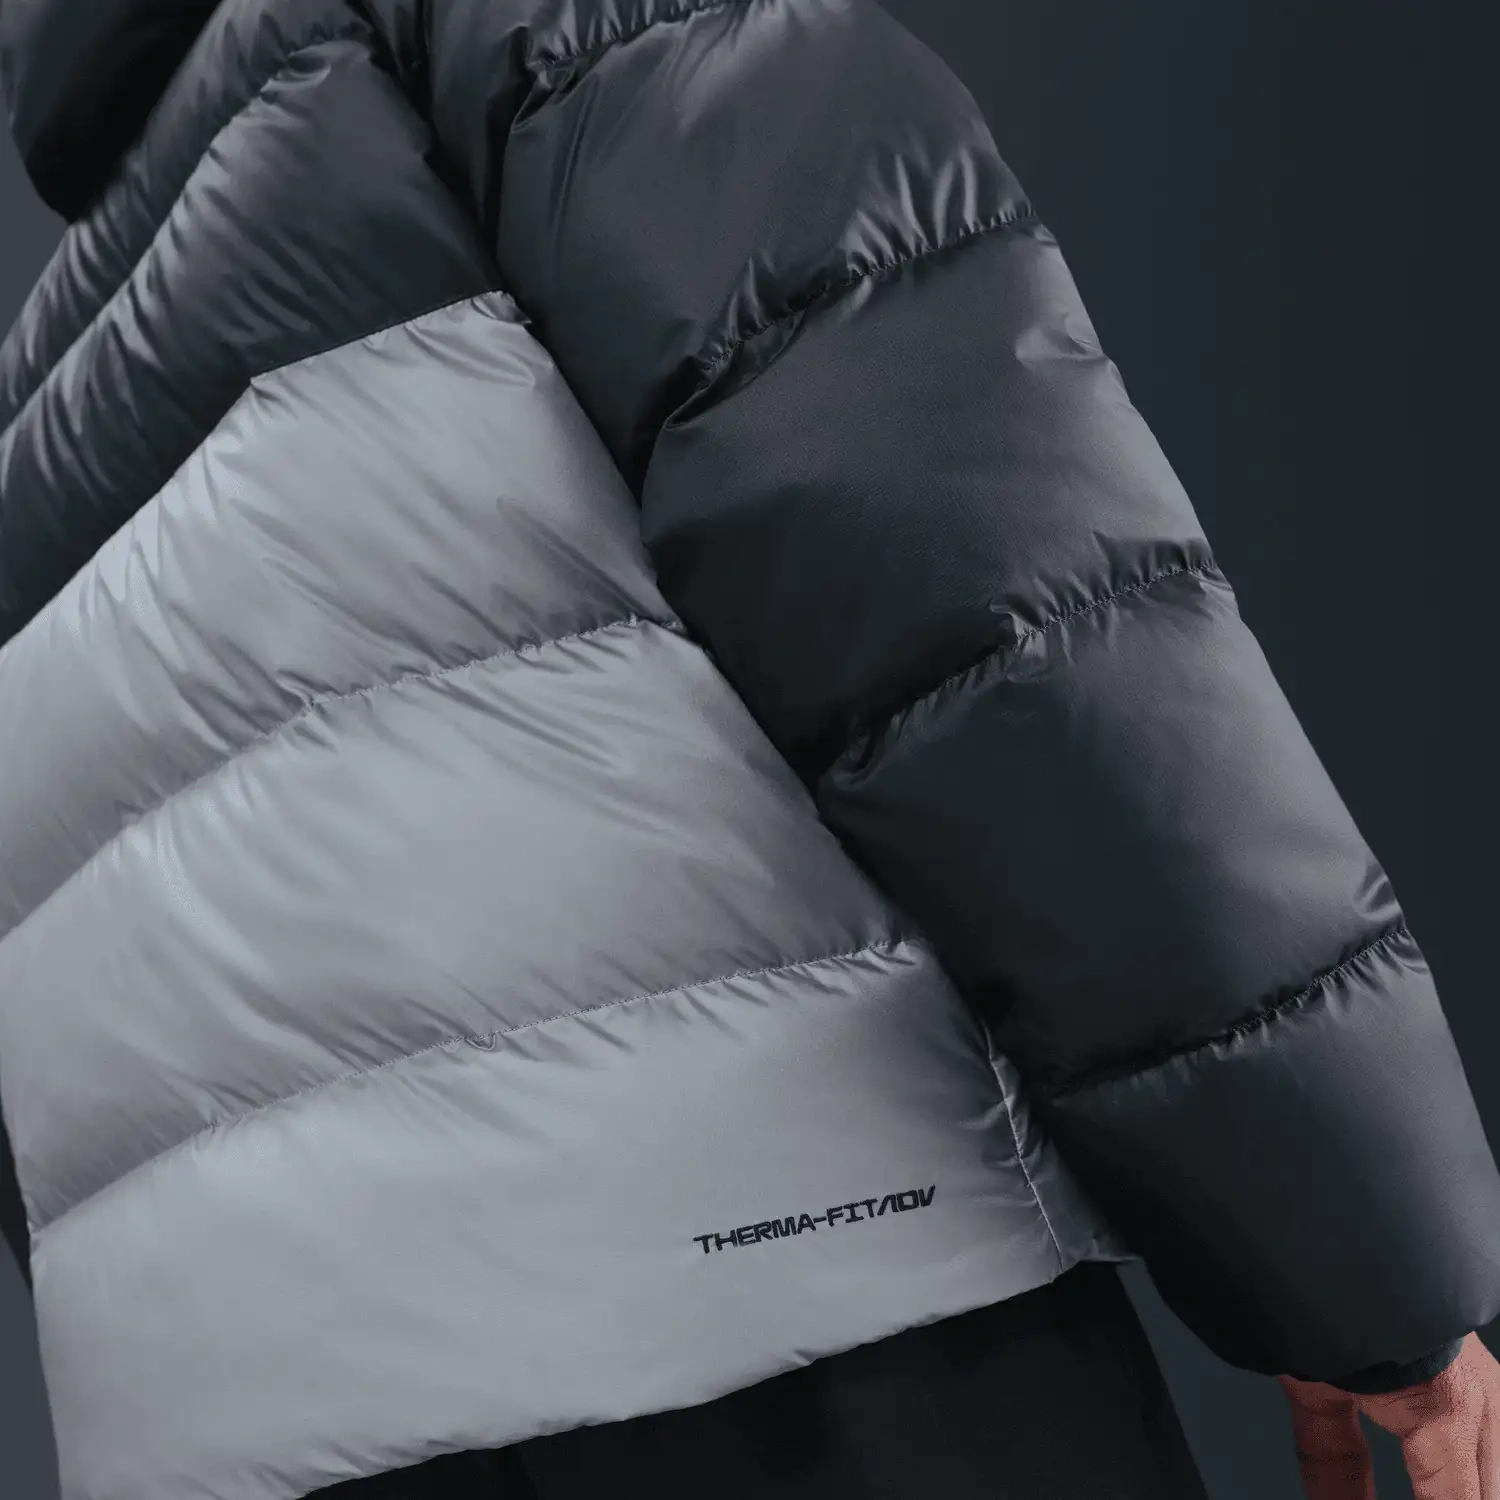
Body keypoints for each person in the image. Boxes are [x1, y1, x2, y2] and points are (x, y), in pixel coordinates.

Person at [0, 2, 1495, 1498]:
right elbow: (991, 607)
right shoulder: (554, 29)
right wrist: (1351, 1262)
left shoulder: (41, 405)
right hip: (789, 1346)